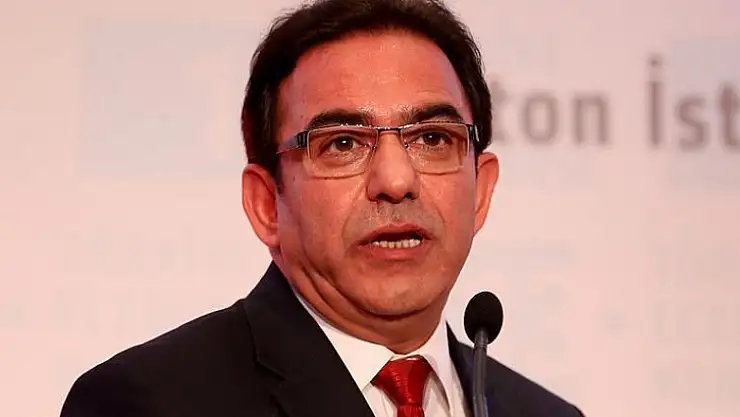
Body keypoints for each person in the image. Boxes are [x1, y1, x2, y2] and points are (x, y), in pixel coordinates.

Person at [60, 0, 585, 416]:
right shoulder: (148, 403)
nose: (396, 181)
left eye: (432, 138)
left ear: (482, 190)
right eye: (343, 144)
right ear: (266, 204)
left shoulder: (546, 414)